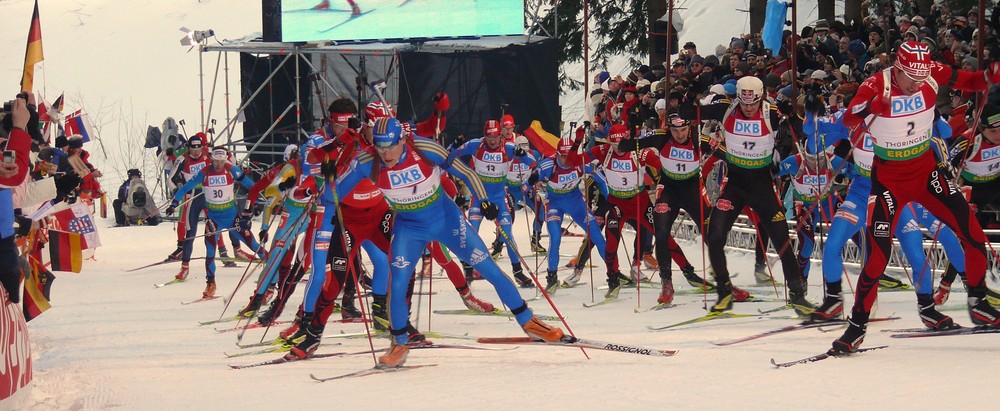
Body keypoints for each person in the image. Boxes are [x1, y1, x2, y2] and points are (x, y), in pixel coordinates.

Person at [329, 117, 564, 367]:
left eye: (391, 146)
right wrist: (328, 177)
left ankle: (529, 322)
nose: (386, 154)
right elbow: (332, 193)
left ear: (402, 140)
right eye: (380, 147)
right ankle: (399, 343)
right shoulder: (366, 162)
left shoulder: (425, 149)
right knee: (396, 283)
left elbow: (466, 172)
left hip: (446, 220)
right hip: (409, 228)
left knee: (489, 269)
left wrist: (483, 199)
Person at [831, 42, 1000, 354]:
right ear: (897, 68)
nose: (915, 85)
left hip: (927, 174)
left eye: (920, 79)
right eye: (910, 78)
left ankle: (978, 300)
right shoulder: (875, 85)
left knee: (972, 233)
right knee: (878, 256)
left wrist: (990, 75)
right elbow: (848, 120)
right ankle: (856, 327)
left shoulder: (931, 73)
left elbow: (971, 81)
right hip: (889, 182)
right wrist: (871, 108)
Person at [694, 76, 814, 315]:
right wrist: (689, 98)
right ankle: (724, 291)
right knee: (715, 235)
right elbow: (690, 114)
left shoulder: (770, 112)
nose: (748, 108)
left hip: (762, 186)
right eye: (744, 103)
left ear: (761, 98)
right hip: (735, 185)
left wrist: (796, 114)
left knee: (781, 240)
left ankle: (798, 296)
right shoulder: (726, 109)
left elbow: (803, 131)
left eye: (753, 103)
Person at [167, 148, 260, 297]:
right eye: (216, 162)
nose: (218, 165)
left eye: (221, 162)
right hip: (213, 218)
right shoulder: (204, 172)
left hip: (231, 217)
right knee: (210, 252)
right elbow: (185, 188)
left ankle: (274, 268)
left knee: (254, 245)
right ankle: (211, 284)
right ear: (211, 160)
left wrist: (255, 204)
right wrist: (174, 203)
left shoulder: (231, 169)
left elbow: (253, 187)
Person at [454, 120, 536, 287]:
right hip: (479, 197)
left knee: (507, 235)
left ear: (500, 136)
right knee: (471, 233)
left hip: (499, 198)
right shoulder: (476, 145)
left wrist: (534, 170)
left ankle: (518, 272)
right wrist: (455, 147)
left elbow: (532, 161)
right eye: (489, 137)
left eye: (496, 137)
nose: (492, 141)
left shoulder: (508, 148)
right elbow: (450, 155)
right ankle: (468, 269)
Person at [529, 136, 608, 291]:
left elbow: (601, 180)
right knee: (555, 238)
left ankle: (613, 273)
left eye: (570, 156)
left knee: (597, 236)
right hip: (555, 204)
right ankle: (552, 277)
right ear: (558, 154)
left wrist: (610, 197)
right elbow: (529, 181)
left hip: (576, 203)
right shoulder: (548, 164)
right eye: (564, 156)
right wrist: (531, 181)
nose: (567, 160)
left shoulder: (581, 162)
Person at [165, 135, 210, 279]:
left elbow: (228, 163)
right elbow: (169, 179)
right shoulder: (183, 159)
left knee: (213, 229)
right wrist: (175, 192)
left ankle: (230, 251)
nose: (196, 152)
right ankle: (184, 267)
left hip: (209, 195)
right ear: (188, 148)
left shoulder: (209, 155)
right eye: (192, 149)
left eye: (199, 149)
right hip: (191, 196)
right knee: (190, 233)